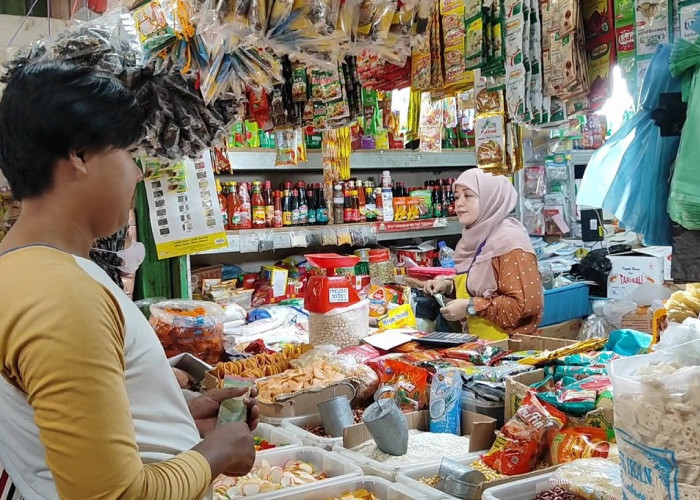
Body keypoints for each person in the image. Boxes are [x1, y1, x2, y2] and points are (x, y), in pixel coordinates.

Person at [0, 61, 258, 499]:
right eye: (128, 153)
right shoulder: (62, 296)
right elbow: (112, 496)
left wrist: (175, 417)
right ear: (79, 155)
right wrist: (215, 455)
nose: (138, 173)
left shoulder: (20, 269)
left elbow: (63, 434)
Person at [424, 169, 543, 339]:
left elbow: (523, 305)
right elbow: (480, 285)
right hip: (480, 347)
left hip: (510, 350)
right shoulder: (475, 238)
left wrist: (470, 306)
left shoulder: (509, 241)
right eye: (457, 197)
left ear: (490, 198)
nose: (459, 203)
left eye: (468, 196)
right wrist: (447, 286)